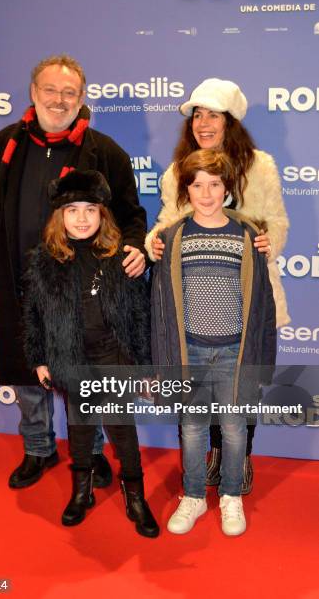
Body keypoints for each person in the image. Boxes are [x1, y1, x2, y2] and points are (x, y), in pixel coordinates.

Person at [0, 54, 147, 490]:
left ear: (82, 98)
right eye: (50, 90)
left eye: (70, 92)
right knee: (28, 369)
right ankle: (38, 448)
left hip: (78, 287)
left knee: (80, 371)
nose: (59, 99)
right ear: (34, 93)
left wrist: (135, 249)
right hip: (17, 279)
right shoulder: (4, 144)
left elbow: (130, 214)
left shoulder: (103, 150)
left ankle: (87, 455)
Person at [145, 78, 289, 494]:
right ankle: (211, 458)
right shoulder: (178, 171)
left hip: (246, 296)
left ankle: (238, 459)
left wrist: (268, 241)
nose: (203, 123)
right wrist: (153, 243)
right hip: (195, 299)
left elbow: (276, 221)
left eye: (213, 114)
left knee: (240, 394)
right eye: (197, 114)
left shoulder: (259, 166)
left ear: (230, 121)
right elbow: (168, 220)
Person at [22, 169, 159, 538]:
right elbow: (33, 315)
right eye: (72, 210)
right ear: (59, 217)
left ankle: (136, 497)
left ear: (103, 215)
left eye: (90, 210)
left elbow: (140, 314)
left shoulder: (121, 258)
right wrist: (38, 358)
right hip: (72, 358)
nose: (81, 218)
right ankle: (81, 493)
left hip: (114, 356)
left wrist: (145, 367)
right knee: (80, 430)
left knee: (122, 430)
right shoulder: (44, 261)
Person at [151, 149, 276, 536]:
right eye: (197, 185)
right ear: (186, 190)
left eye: (215, 184)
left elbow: (262, 304)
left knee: (235, 428)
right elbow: (159, 306)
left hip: (234, 353)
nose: (206, 193)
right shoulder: (172, 238)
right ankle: (192, 496)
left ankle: (231, 495)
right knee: (191, 427)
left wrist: (261, 359)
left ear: (228, 187)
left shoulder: (249, 236)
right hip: (190, 351)